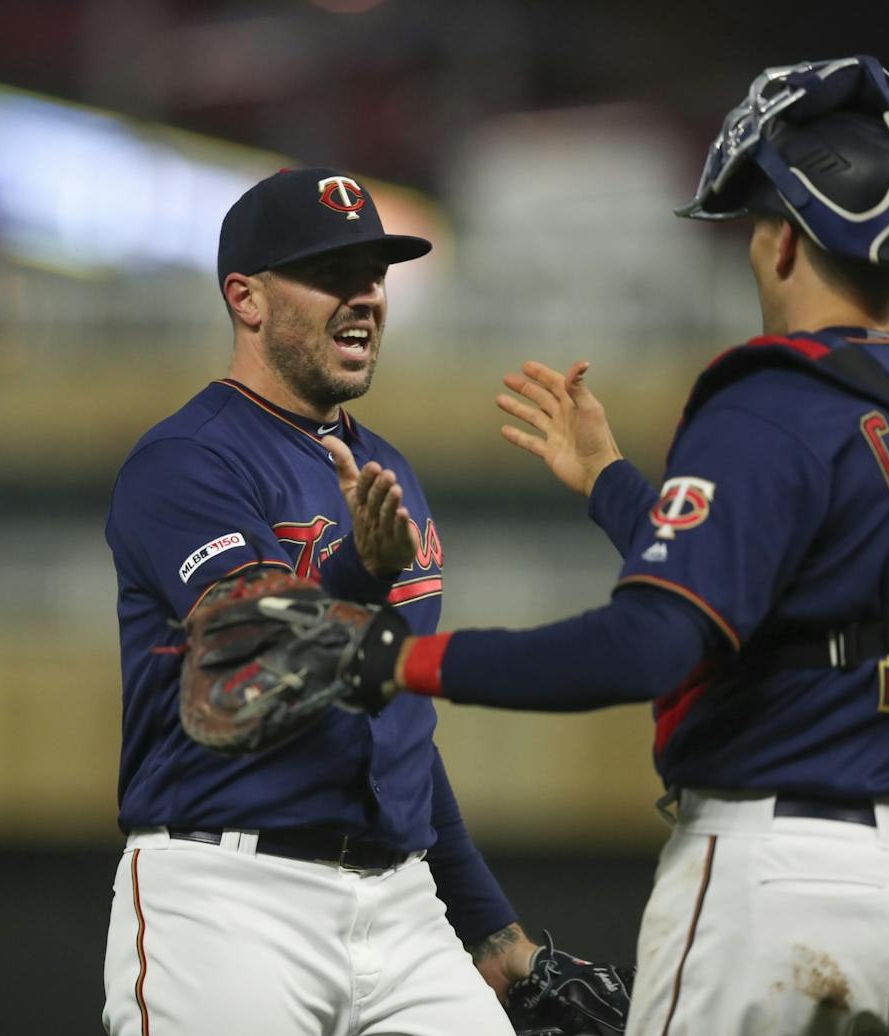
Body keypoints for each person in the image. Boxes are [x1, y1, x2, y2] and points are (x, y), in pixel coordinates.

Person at [306, 57, 889, 1034]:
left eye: (753, 227)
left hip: (780, 880)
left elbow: (648, 644)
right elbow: (774, 601)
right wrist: (612, 485)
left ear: (786, 243)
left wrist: (395, 656)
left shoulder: (772, 397)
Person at [101, 167, 562, 1035]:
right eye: (330, 274)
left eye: (376, 274)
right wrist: (358, 574)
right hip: (228, 892)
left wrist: (491, 930)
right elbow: (256, 644)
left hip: (404, 897)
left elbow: (398, 729)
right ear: (246, 298)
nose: (365, 298)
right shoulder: (185, 462)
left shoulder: (388, 471)